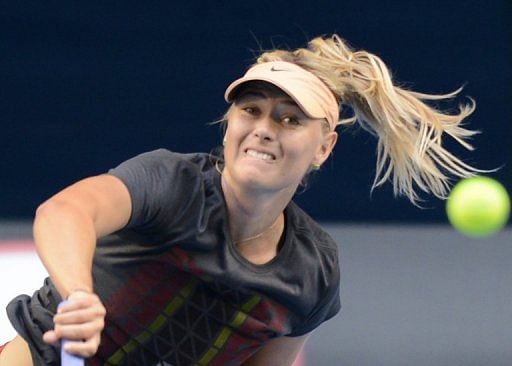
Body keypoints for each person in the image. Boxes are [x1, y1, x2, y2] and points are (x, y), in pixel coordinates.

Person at [0, 34, 480, 366]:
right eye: (251, 110)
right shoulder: (172, 184)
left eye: (291, 119)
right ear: (230, 124)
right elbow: (65, 212)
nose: (264, 129)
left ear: (325, 147)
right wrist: (79, 293)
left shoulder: (311, 272)